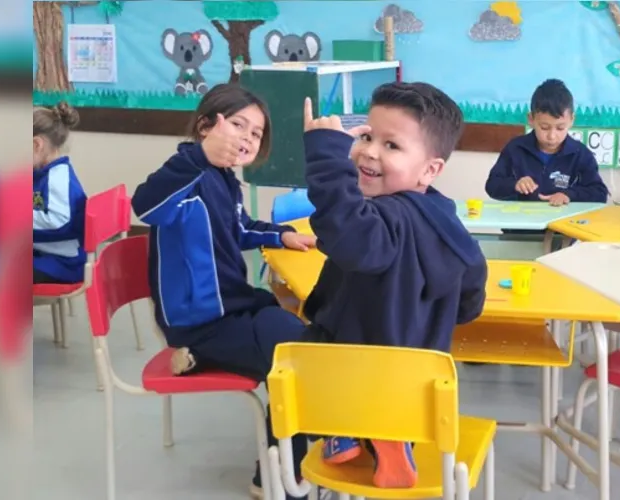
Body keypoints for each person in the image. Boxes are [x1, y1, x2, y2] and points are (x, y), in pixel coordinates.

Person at [130, 83, 318, 500]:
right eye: (238, 125)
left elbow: (239, 228)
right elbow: (144, 206)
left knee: (293, 330)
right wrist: (200, 157)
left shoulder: (223, 179)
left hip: (229, 309)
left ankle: (283, 461)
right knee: (297, 357)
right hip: (199, 320)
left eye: (256, 132)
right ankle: (282, 479)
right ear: (205, 126)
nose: (248, 138)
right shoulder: (187, 171)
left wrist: (280, 235)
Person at [299, 82, 487, 489]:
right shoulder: (447, 222)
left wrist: (325, 158)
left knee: (309, 335)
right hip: (415, 390)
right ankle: (380, 434)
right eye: (367, 136)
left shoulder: (386, 220)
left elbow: (350, 233)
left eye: (391, 145)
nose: (369, 151)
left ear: (431, 169)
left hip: (358, 372)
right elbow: (471, 295)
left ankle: (345, 426)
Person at [484, 78, 608, 206]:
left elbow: (599, 193)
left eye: (560, 128)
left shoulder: (580, 154)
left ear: (571, 120)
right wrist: (515, 184)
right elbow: (492, 186)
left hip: (562, 224)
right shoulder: (516, 148)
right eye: (544, 127)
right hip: (522, 223)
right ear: (531, 119)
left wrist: (568, 195)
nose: (552, 136)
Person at [33, 102, 87, 285]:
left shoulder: (58, 177)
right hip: (47, 252)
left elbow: (58, 221)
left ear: (36, 144)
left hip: (63, 263)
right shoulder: (42, 172)